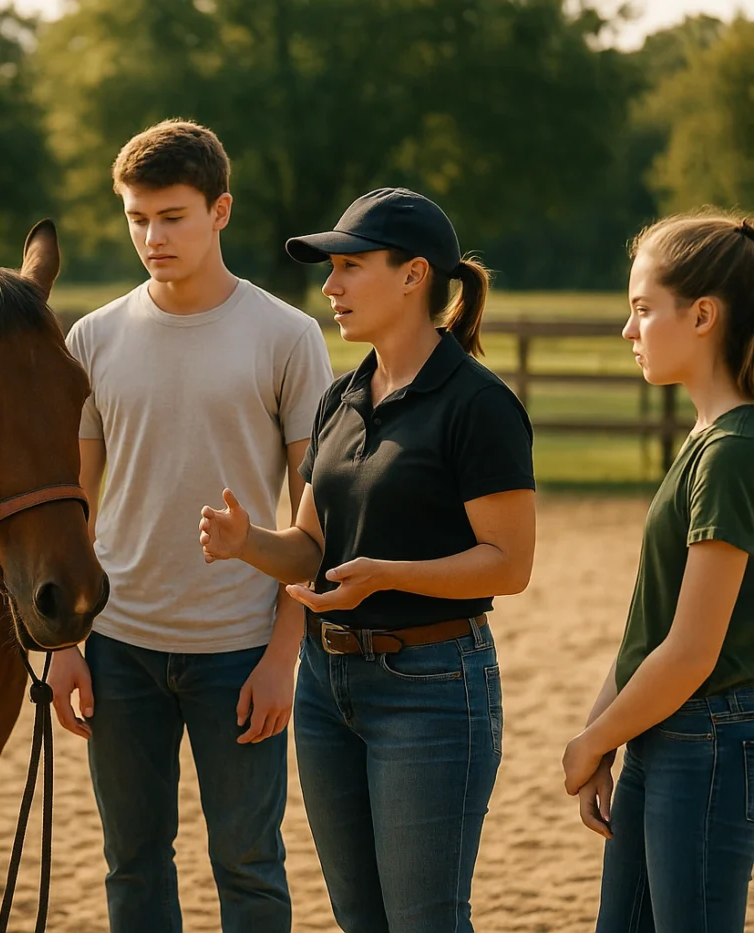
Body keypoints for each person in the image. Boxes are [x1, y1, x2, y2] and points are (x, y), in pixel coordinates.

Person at [201, 188, 536, 932]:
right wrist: (247, 540)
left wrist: (390, 575)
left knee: (425, 922)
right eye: (331, 269)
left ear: (415, 274)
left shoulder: (478, 404)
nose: (331, 286)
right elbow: (310, 547)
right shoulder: (342, 397)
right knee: (360, 920)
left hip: (434, 690)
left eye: (351, 266)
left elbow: (509, 564)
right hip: (327, 690)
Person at [51, 119, 334, 932]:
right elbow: (75, 502)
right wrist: (66, 644)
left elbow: (314, 512)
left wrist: (285, 653)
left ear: (221, 211)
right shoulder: (91, 338)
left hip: (240, 648)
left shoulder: (288, 336)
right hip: (118, 645)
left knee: (248, 867)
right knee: (132, 865)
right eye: (137, 217)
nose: (151, 236)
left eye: (172, 215)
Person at [563, 212, 754, 932]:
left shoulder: (734, 450)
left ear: (703, 314)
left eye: (643, 308)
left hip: (706, 742)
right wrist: (605, 734)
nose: (628, 328)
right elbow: (653, 620)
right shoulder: (707, 439)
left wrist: (590, 741)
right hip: (661, 734)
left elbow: (693, 649)